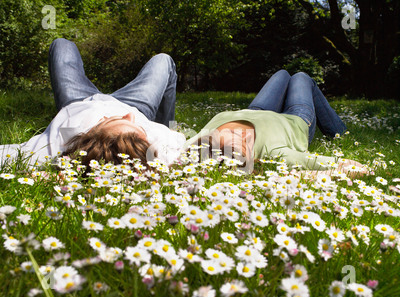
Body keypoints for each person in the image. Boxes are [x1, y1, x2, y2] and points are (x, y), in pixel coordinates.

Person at [0, 38, 185, 171]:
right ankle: (165, 121)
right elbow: (198, 144)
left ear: (87, 136)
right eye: (136, 127)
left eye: (107, 122)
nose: (129, 117)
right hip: (134, 103)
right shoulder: (159, 143)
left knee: (62, 45)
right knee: (164, 60)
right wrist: (170, 132)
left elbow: (7, 156)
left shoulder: (52, 147)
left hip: (77, 99)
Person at [184, 70, 367, 177]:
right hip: (296, 119)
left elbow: (162, 150)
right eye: (240, 152)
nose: (238, 137)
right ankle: (341, 133)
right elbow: (356, 168)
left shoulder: (196, 142)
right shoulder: (274, 154)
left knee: (282, 74)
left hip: (255, 111)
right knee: (301, 77)